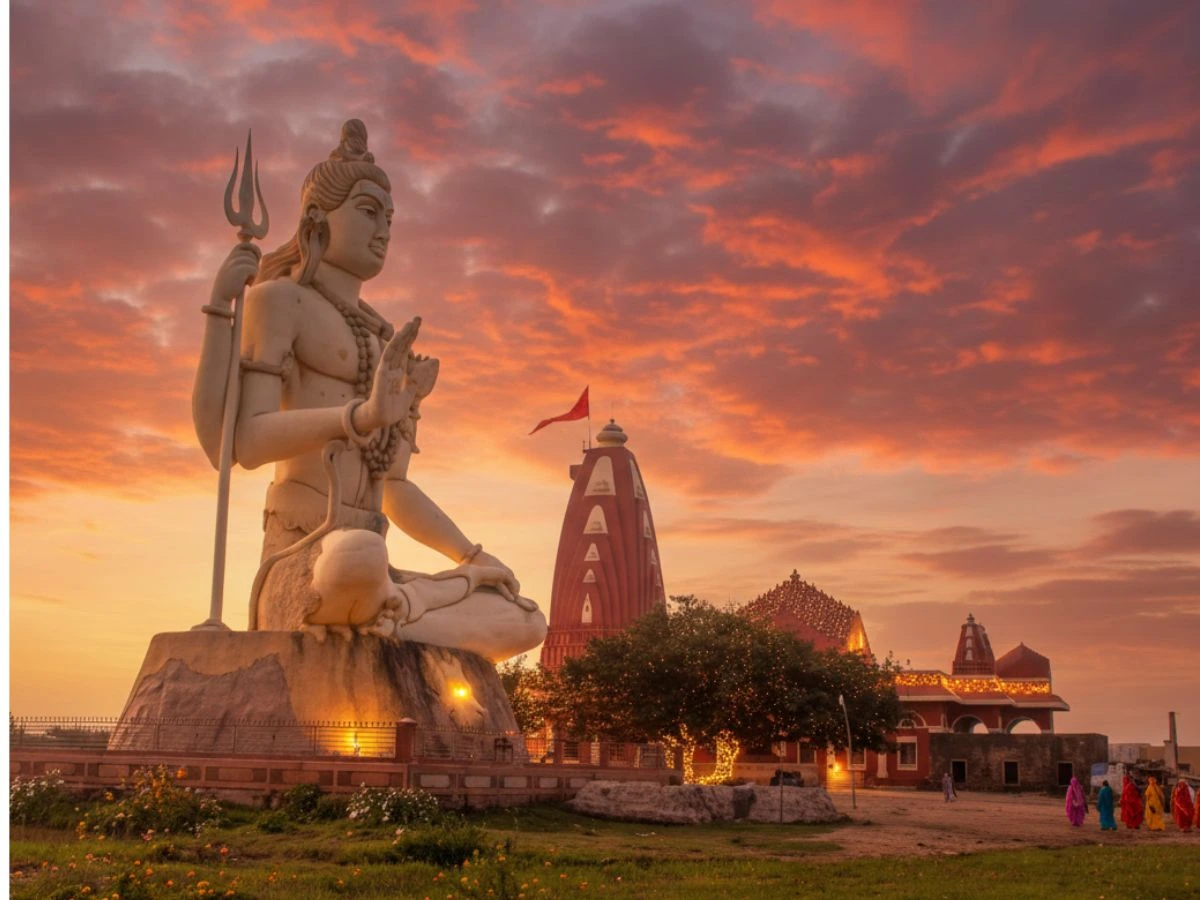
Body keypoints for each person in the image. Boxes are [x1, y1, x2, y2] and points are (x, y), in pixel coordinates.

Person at [193, 119, 546, 660]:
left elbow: (394, 487)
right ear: (318, 219)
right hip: (306, 558)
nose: (383, 229)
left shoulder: (386, 339)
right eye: (367, 212)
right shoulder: (279, 300)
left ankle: (393, 612)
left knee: (525, 620)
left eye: (389, 218)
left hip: (374, 564)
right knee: (356, 558)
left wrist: (470, 556)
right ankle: (399, 611)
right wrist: (360, 416)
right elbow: (244, 444)